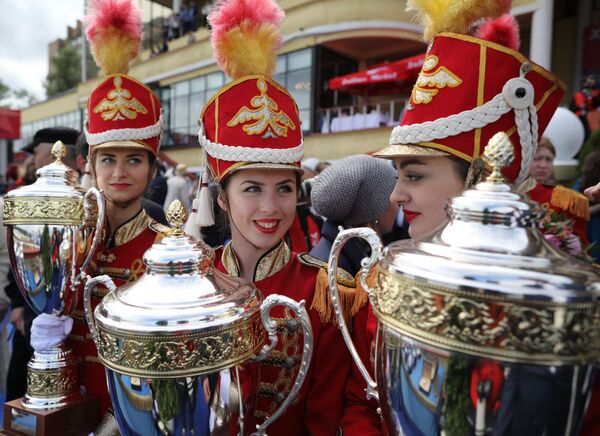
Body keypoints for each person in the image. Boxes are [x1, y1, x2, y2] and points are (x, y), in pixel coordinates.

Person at [338, 6, 566, 435]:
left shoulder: (551, 301)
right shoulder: (387, 281)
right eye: (399, 175)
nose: (396, 195)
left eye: (415, 175)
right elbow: (361, 405)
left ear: (479, 178)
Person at [193, 0, 351, 433]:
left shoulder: (326, 294)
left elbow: (324, 420)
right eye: (251, 189)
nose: (271, 207)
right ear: (221, 199)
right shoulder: (190, 283)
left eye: (284, 188)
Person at [29, 0, 168, 427]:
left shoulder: (171, 252)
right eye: (108, 159)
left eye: (134, 160)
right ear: (88, 163)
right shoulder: (67, 243)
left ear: (153, 167)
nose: (119, 173)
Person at [5, 126, 79, 403]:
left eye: (34, 153)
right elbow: (21, 260)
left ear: (50, 155)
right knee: (19, 391)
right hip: (31, 313)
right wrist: (18, 306)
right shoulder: (24, 195)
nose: (31, 160)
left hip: (73, 329)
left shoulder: (88, 201)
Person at [309, 154, 398, 275]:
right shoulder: (336, 272)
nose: (398, 201)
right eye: (392, 194)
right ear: (373, 209)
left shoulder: (350, 251)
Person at [528, 137, 589, 244]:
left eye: (549, 159)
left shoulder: (568, 199)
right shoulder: (510, 192)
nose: (543, 165)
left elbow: (580, 246)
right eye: (537, 158)